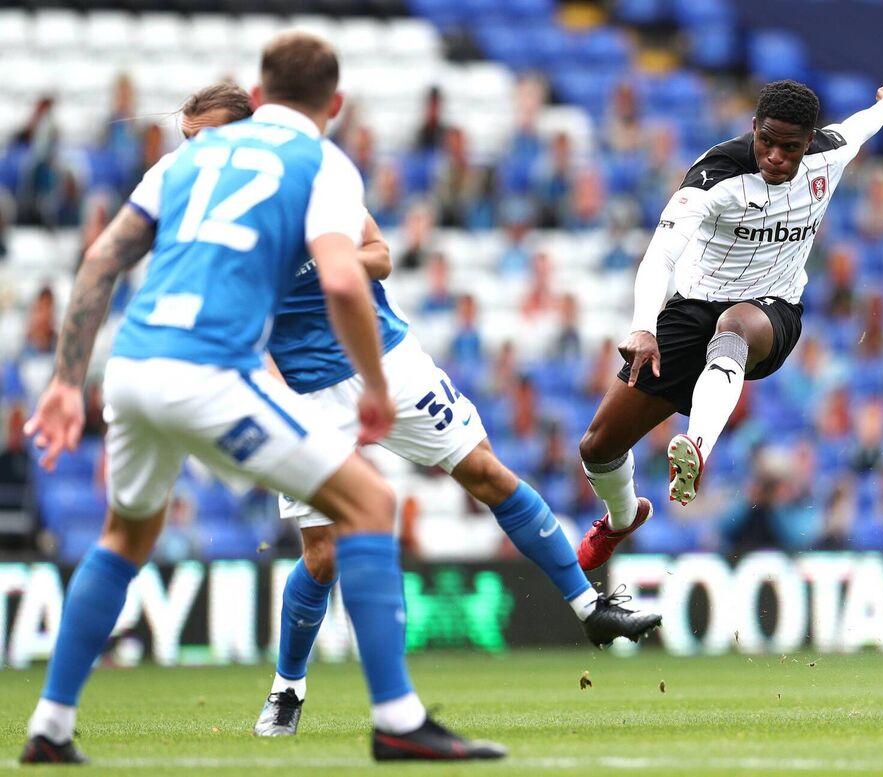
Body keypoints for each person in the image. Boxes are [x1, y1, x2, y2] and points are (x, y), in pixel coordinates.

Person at [19, 32, 505, 764]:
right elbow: (347, 279)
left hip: (132, 367)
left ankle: (50, 727)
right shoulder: (319, 162)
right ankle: (398, 718)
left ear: (259, 92)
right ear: (333, 104)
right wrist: (375, 387)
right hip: (209, 372)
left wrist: (64, 381)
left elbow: (100, 260)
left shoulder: (180, 163)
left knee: (124, 538)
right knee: (370, 504)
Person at [178, 84, 662, 738]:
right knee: (322, 552)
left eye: (200, 140)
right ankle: (287, 691)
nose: (190, 156)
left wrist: (336, 262)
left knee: (486, 472)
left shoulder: (312, 177)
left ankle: (588, 605)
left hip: (389, 359)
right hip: (306, 392)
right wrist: (278, 402)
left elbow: (378, 250)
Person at [575, 79, 883, 570]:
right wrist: (644, 326)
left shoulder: (828, 156)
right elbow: (661, 252)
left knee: (733, 327)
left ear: (809, 141)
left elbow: (863, 125)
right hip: (692, 310)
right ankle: (621, 519)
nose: (775, 155)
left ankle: (697, 447)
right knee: (598, 446)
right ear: (753, 128)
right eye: (766, 141)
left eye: (790, 147)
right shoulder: (715, 175)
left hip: (769, 312)